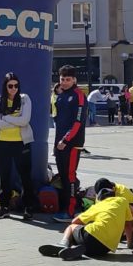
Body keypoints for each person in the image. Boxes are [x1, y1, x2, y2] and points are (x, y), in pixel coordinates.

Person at [41, 187, 133, 260]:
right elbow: (128, 225)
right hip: (105, 249)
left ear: (100, 198)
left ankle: (63, 244)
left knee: (72, 228)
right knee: (87, 239)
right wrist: (129, 244)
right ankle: (79, 250)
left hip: (92, 235)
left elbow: (74, 222)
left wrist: (89, 221)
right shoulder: (122, 201)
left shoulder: (98, 205)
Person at [0, 72, 37, 219]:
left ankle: (28, 207)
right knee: (3, 176)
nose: (13, 89)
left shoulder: (25, 99)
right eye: (10, 86)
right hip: (2, 143)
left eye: (16, 86)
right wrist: (14, 121)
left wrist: (7, 118)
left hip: (21, 143)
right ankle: (4, 207)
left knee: (25, 176)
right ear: (5, 86)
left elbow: (25, 121)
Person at [52, 66, 86, 223]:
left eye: (68, 79)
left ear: (74, 80)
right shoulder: (60, 95)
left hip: (72, 144)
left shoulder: (79, 95)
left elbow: (78, 122)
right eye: (62, 79)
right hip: (59, 143)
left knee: (70, 176)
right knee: (63, 176)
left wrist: (66, 140)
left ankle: (70, 210)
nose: (64, 82)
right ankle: (64, 205)